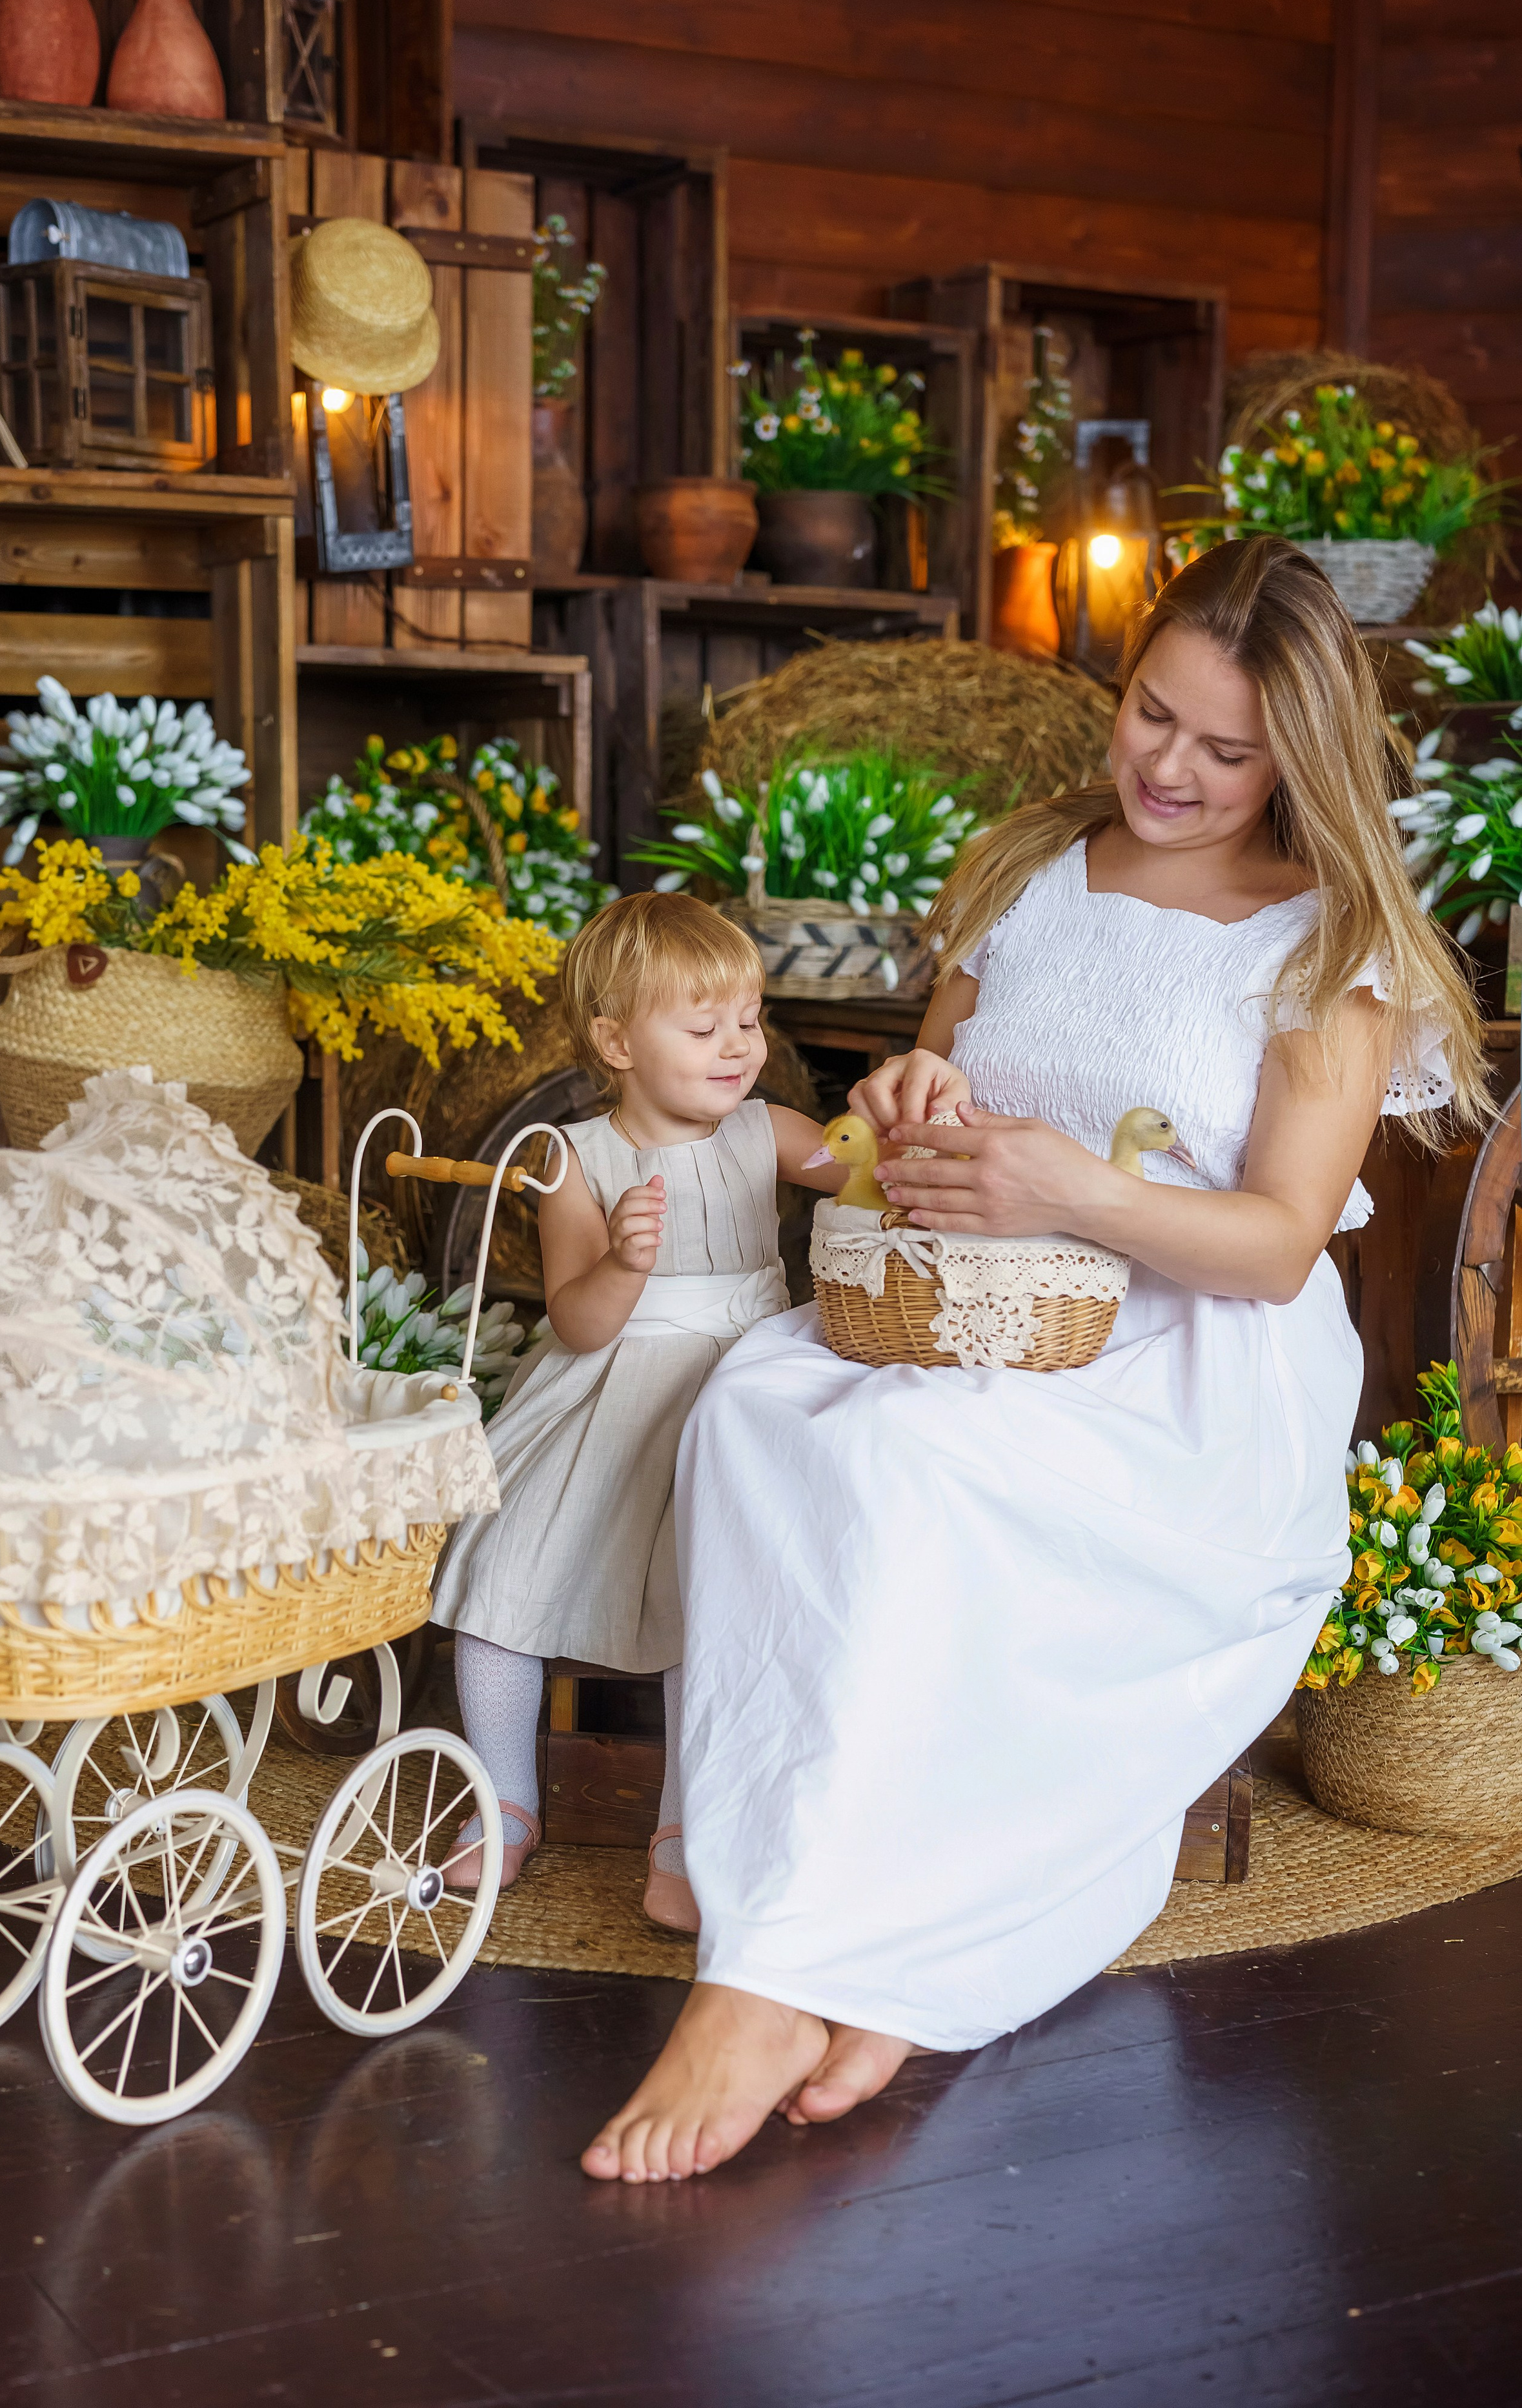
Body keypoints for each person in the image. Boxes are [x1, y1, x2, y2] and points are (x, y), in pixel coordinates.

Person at [580, 534, 1488, 2181]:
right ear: (1124, 679)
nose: (1170, 768)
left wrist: (1074, 1182)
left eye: (1227, 750)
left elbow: (1280, 1239)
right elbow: (924, 1103)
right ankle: (828, 1928)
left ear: (1302, 756)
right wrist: (893, 1112)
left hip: (1184, 1366)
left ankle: (769, 1975)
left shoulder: (1323, 941)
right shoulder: (1028, 873)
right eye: (1153, 715)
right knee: (762, 1402)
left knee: (912, 1465)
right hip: (974, 1307)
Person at [431, 891, 842, 1928]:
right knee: (500, 1582)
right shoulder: (572, 1160)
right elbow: (574, 1321)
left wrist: (895, 1141)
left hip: (738, 1398)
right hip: (608, 1402)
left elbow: (869, 1168)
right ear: (615, 1041)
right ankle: (505, 1798)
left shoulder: (768, 1132)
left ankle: (683, 1826)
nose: (738, 1048)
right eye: (702, 1028)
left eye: (748, 1021)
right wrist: (620, 1262)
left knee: (710, 1611)